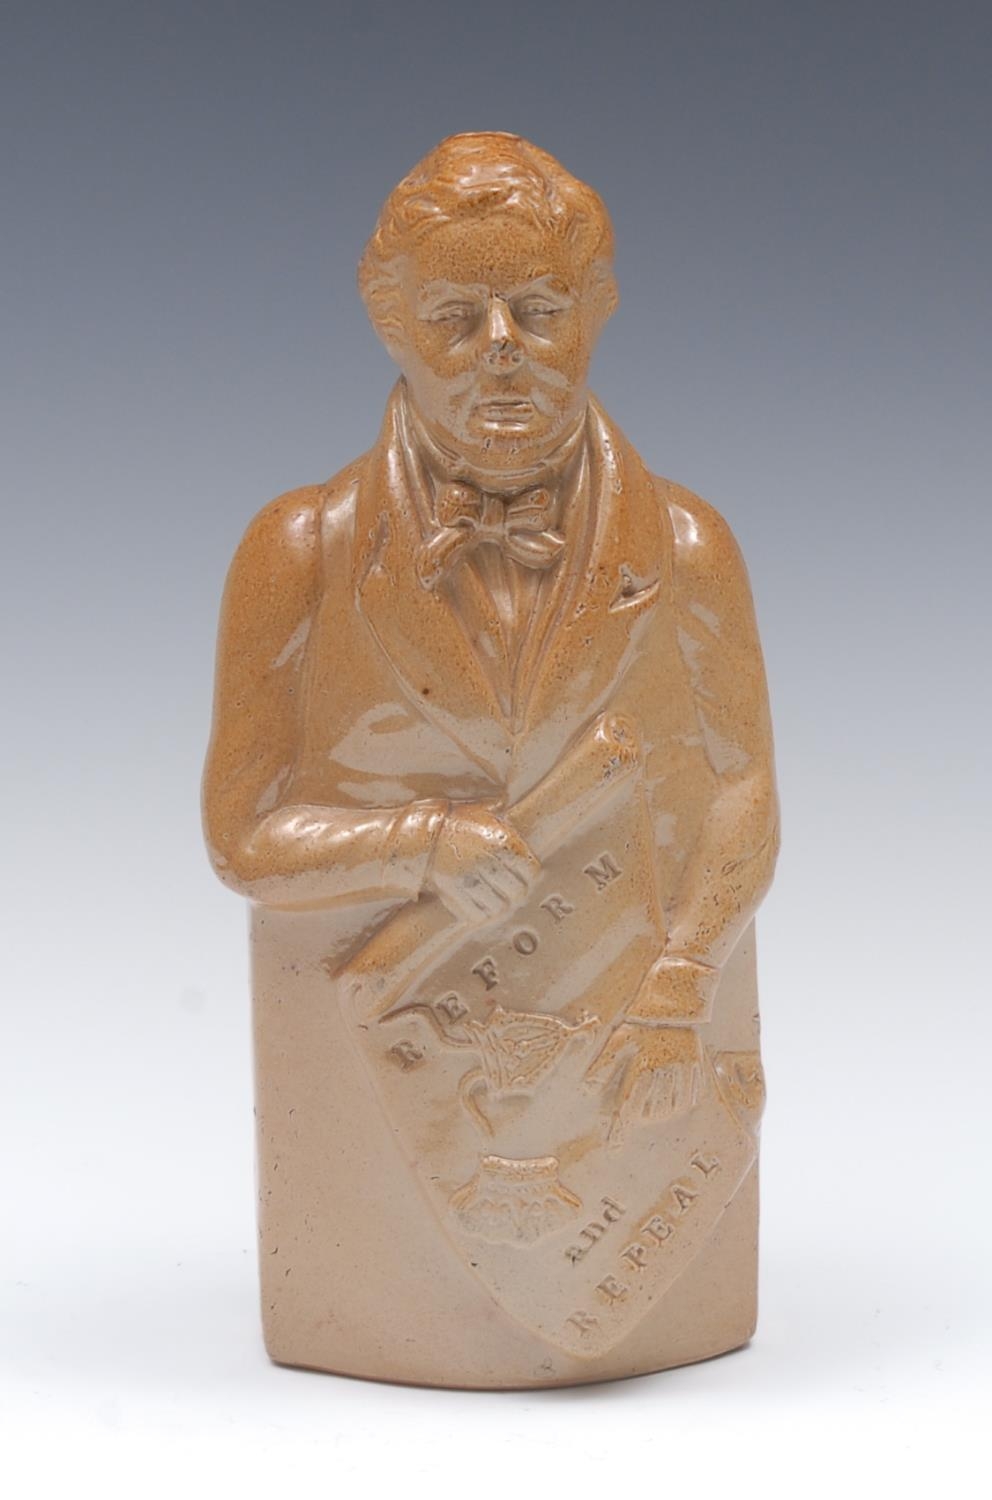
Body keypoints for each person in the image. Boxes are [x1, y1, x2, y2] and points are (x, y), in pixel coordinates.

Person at [202, 133, 779, 1380]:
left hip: (646, 1043)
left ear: (596, 311)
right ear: (393, 331)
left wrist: (680, 985)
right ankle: (371, 1317)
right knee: (374, 1282)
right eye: (456, 319)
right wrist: (418, 842)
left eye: (539, 310)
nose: (503, 350)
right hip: (378, 1067)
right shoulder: (299, 551)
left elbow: (743, 790)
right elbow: (242, 837)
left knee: (648, 1261)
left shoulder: (685, 547)